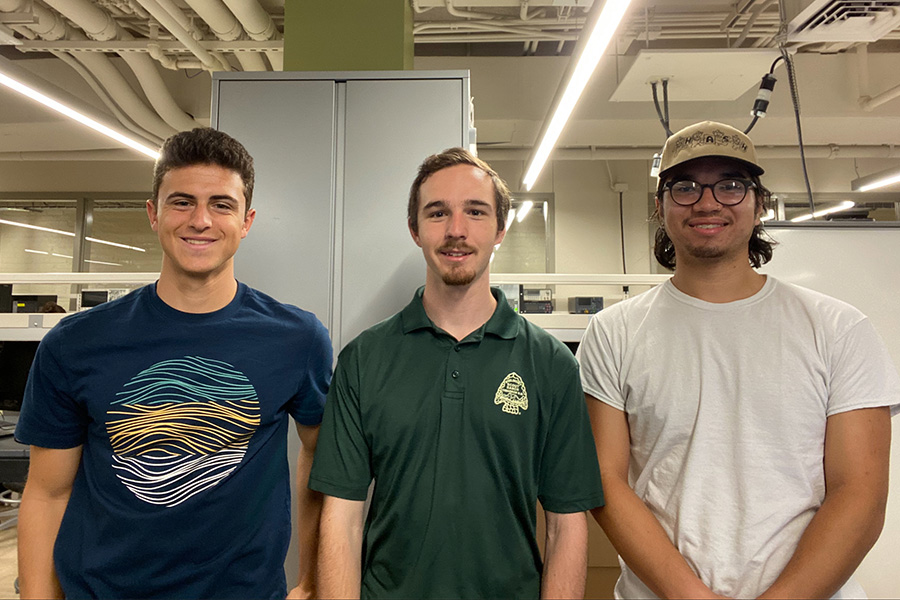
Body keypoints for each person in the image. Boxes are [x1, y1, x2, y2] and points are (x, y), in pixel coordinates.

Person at [578, 120, 900, 599]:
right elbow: (604, 481)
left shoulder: (838, 328)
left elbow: (860, 495)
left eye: (731, 185)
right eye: (684, 187)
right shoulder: (613, 333)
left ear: (759, 202)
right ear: (660, 206)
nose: (707, 202)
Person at [15, 128, 332, 600]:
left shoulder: (297, 339)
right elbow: (46, 492)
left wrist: (312, 581)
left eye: (221, 205)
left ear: (246, 221)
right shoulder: (75, 343)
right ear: (153, 213)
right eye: (181, 201)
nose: (200, 220)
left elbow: (320, 458)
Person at [309, 148, 604, 599]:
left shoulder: (551, 366)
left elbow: (566, 526)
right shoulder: (364, 360)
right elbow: (342, 519)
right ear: (415, 229)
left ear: (500, 228)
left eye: (475, 212)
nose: (456, 230)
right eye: (437, 212)